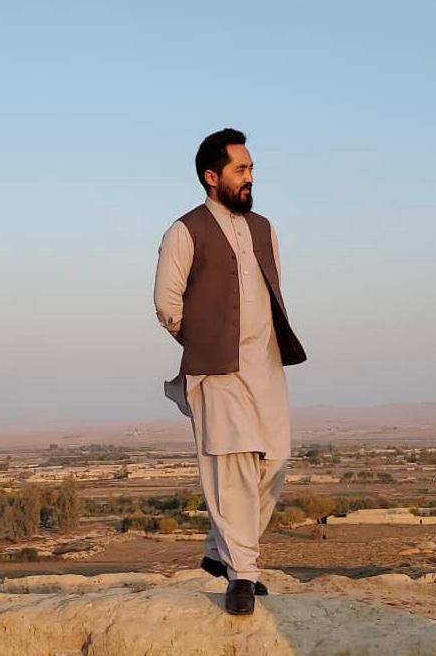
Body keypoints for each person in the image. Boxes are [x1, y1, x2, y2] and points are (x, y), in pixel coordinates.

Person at [153, 128, 306, 615]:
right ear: (211, 176)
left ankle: (221, 550)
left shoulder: (265, 228)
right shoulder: (184, 230)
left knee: (274, 462)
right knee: (232, 465)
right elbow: (166, 304)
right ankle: (243, 573)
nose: (250, 177)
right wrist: (200, 340)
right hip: (215, 369)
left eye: (252, 168)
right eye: (241, 169)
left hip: (265, 365)